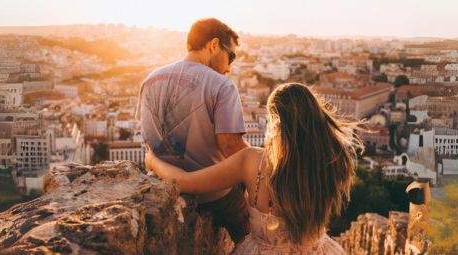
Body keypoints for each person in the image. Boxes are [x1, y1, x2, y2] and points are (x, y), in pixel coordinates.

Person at [145, 83, 363, 254]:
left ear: (276, 121)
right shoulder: (334, 159)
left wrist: (153, 161)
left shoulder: (252, 161)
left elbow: (185, 182)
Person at [138, 18, 250, 243]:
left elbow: (147, 138)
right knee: (253, 235)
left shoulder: (150, 80)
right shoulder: (221, 86)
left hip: (162, 185)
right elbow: (231, 148)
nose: (229, 67)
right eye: (232, 56)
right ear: (214, 45)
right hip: (213, 195)